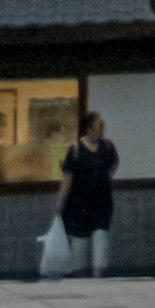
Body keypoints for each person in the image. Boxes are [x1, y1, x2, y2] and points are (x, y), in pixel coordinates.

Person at [57, 108, 119, 279]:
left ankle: (99, 271)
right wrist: (60, 202)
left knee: (101, 237)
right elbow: (68, 178)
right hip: (79, 203)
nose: (103, 128)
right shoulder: (75, 150)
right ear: (89, 129)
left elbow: (113, 166)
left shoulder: (107, 147)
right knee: (79, 241)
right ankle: (79, 272)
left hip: (102, 202)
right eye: (99, 125)